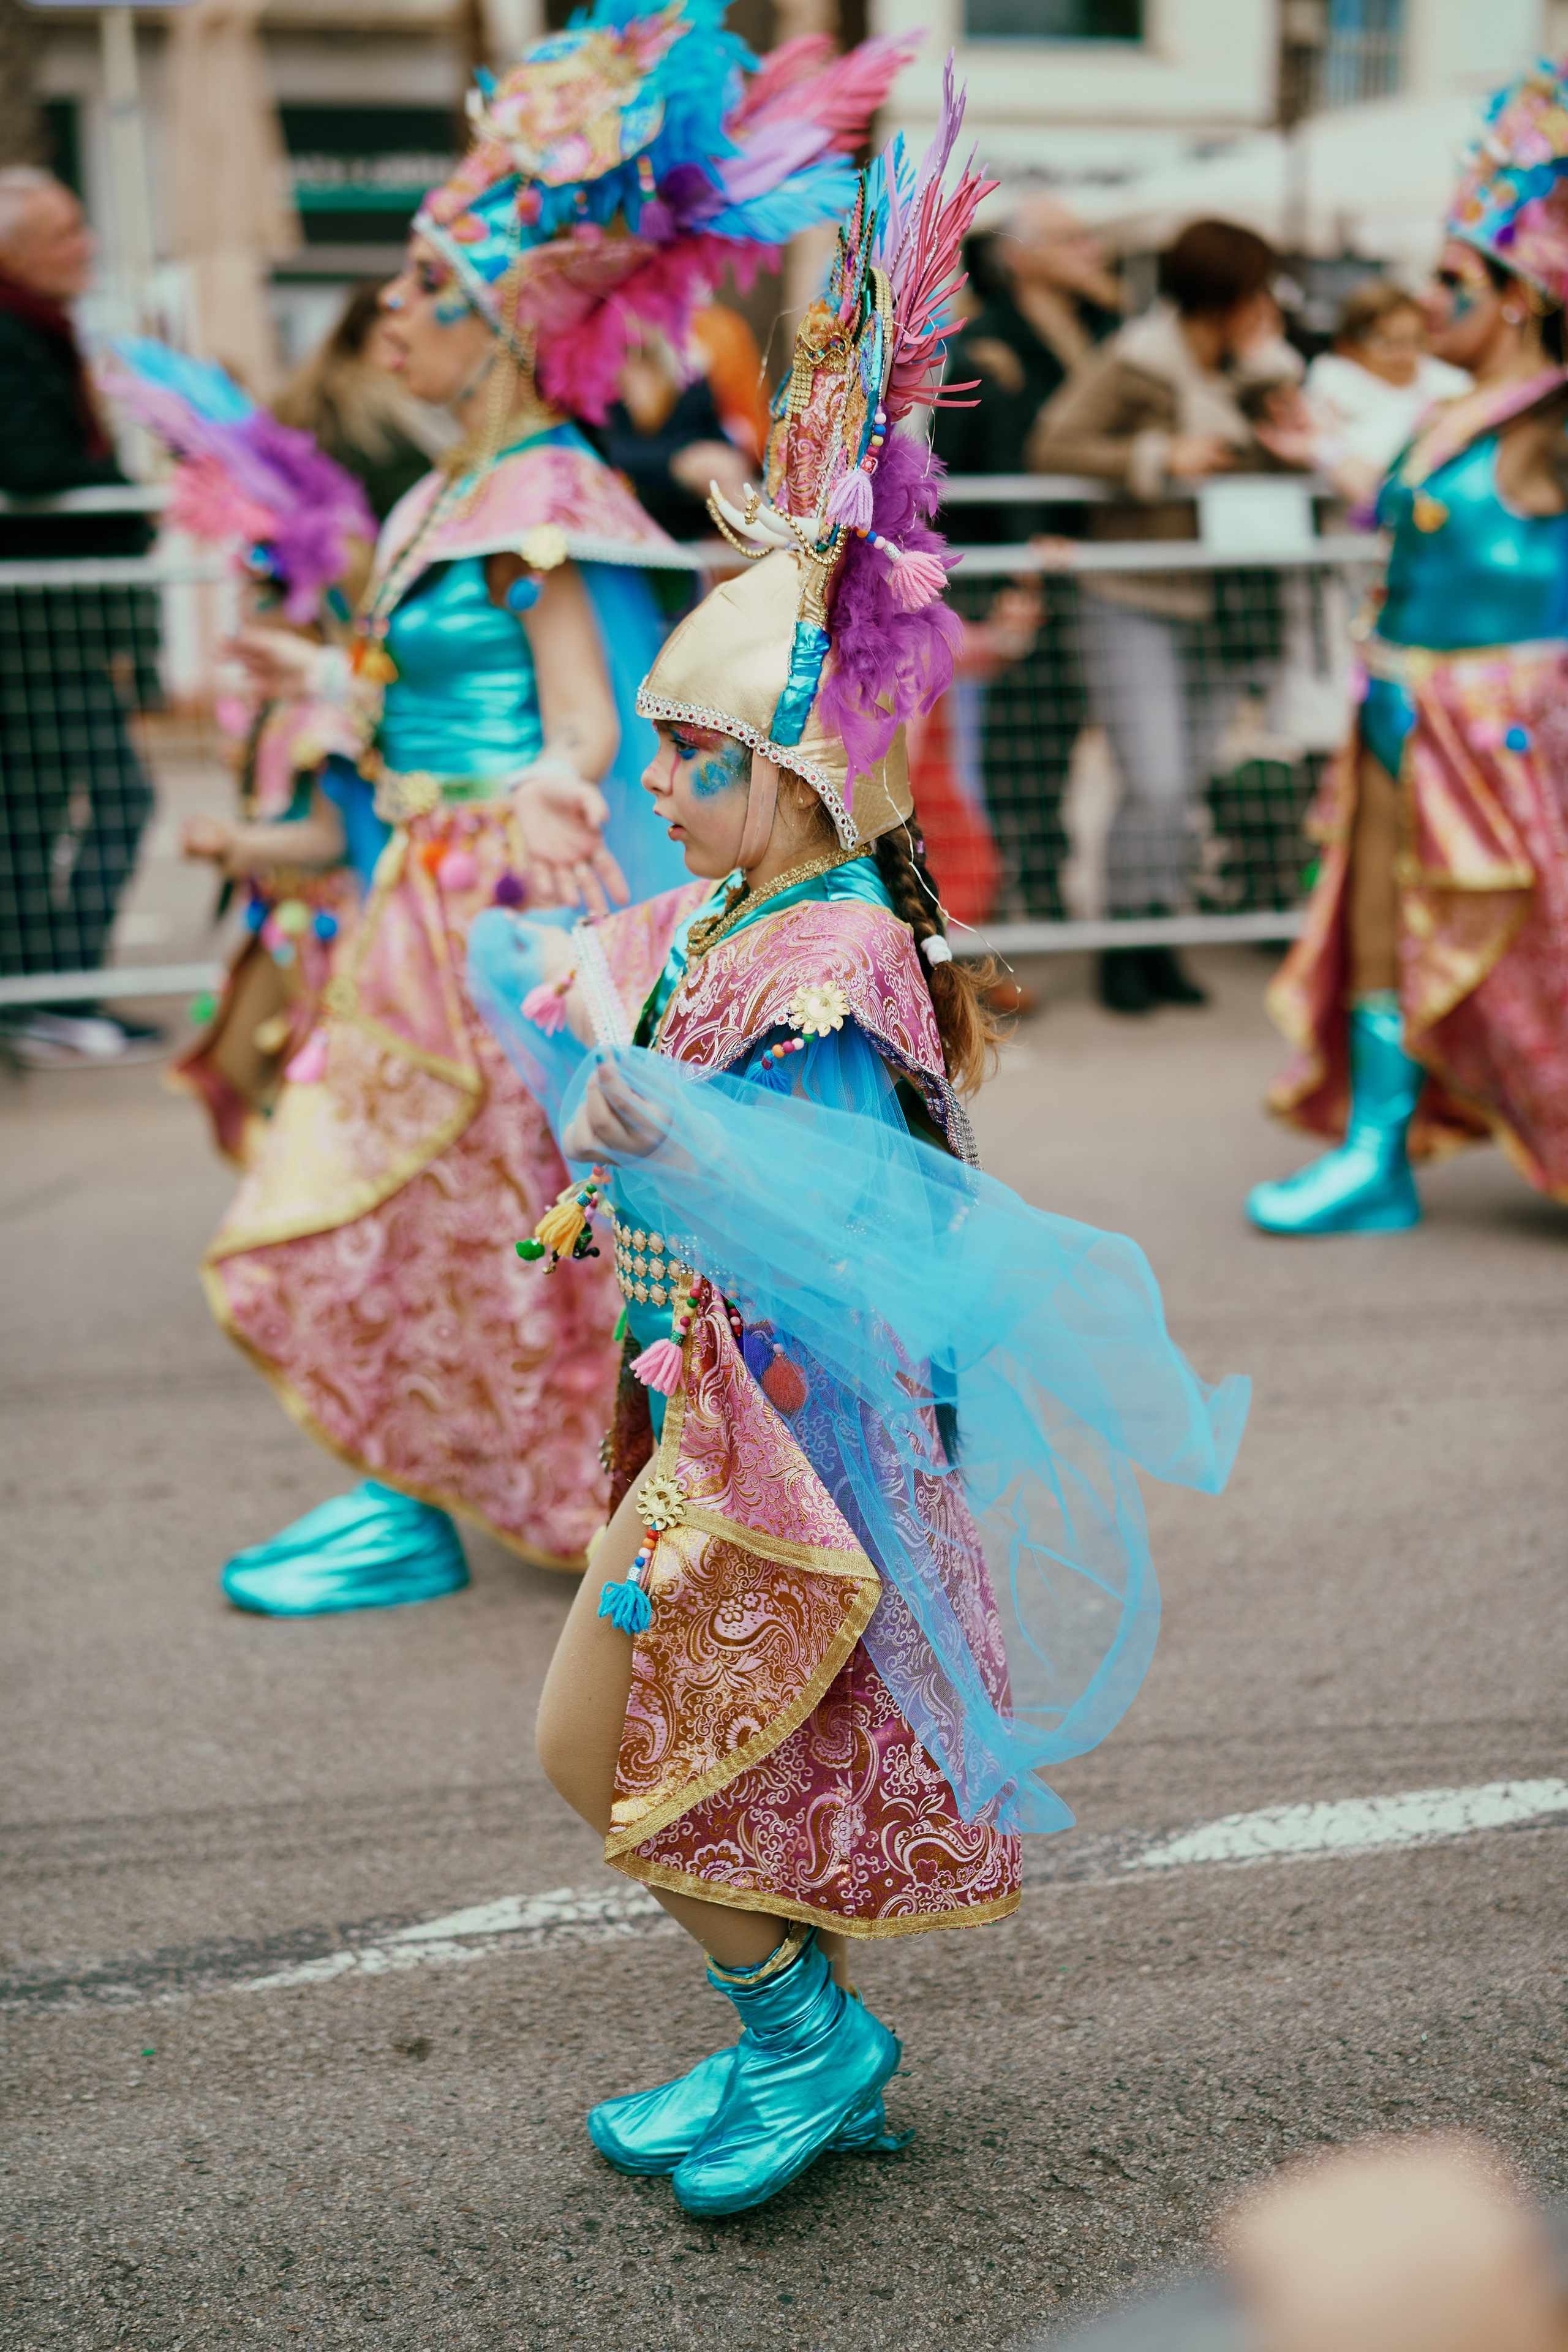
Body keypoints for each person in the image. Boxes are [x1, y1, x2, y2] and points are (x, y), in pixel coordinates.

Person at [466, 100, 1246, 2218]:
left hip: (780, 1430)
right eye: (656, 751)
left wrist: (660, 1134)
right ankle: (795, 2040)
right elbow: (597, 966)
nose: (659, 782)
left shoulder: (831, 958)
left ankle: (811, 2041)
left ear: (800, 772)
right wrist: (568, 984)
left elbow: (842, 1218)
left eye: (692, 755)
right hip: (701, 1403)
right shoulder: (734, 907)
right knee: (698, 1750)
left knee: (588, 1744)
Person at [193, 3, 916, 1615]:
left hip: (505, 902)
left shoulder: (543, 502)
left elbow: (585, 716)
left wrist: (545, 783)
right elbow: (412, 693)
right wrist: (322, 688)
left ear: (504, 324)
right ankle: (424, 1487)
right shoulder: (441, 492)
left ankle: (553, 1488)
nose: (390, 314)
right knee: (419, 1199)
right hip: (419, 888)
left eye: (424, 291)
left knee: (489, 1201)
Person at [1248, 58, 1568, 1235]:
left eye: (1453, 283)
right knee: (1374, 918)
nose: (1430, 304)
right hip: (1396, 701)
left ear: (1519, 295)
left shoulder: (1547, 426)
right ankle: (1377, 1151)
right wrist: (1316, 456)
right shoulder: (1448, 416)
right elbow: (1409, 512)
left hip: (1507, 723)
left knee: (1535, 933)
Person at [100, 336, 380, 1163]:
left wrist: (235, 842)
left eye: (262, 595)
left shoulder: (324, 717)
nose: (244, 614)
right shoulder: (272, 710)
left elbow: (327, 836)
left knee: (311, 1106)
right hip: (282, 928)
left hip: (331, 942)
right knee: (247, 1084)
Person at [1028, 219, 1305, 1015]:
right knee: (1152, 777)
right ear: (1224, 296)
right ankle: (1126, 940)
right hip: (1132, 594)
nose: (1267, 306)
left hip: (1225, 601)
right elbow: (1054, 444)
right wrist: (1158, 457)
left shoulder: (1266, 372)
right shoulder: (1137, 361)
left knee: (1185, 780)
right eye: (1254, 291)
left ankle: (1158, 932)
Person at [0, 166, 159, 1066]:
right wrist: (130, 498)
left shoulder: (44, 329)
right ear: (15, 255)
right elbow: (29, 463)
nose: (84, 244)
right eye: (63, 233)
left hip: (48, 625)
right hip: (33, 631)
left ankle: (40, 990)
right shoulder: (14, 335)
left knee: (33, 812)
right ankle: (51, 991)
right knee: (113, 797)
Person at [933, 190, 1121, 924]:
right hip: (1012, 567)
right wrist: (1013, 560)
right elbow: (963, 468)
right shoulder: (984, 344)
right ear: (1021, 258)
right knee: (1018, 735)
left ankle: (1043, 873)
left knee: (1066, 725)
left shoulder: (1106, 332)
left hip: (1098, 559)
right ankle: (1019, 879)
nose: (1091, 253)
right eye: (1072, 241)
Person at [271, 279, 450, 524]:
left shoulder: (320, 399)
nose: (409, 352)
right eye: (396, 343)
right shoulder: (364, 418)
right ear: (362, 338)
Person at [1303, 280, 1469, 502]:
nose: (1404, 354)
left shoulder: (1450, 383)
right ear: (1348, 345)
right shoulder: (1330, 381)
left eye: (1414, 341)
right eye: (1387, 343)